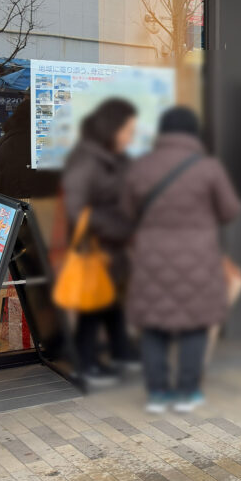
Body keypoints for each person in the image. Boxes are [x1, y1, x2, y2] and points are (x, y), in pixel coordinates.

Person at [122, 107, 240, 414]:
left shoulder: (141, 166)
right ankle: (187, 392)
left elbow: (127, 211)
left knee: (153, 325)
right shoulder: (208, 167)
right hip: (197, 259)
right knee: (194, 324)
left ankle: (157, 394)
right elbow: (230, 210)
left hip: (151, 259)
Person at [60, 97, 138, 385]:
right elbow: (76, 209)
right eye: (127, 130)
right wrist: (115, 227)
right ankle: (84, 363)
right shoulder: (87, 160)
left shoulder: (116, 157)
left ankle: (120, 351)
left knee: (111, 298)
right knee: (92, 305)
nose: (131, 136)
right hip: (94, 245)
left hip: (114, 244)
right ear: (111, 128)